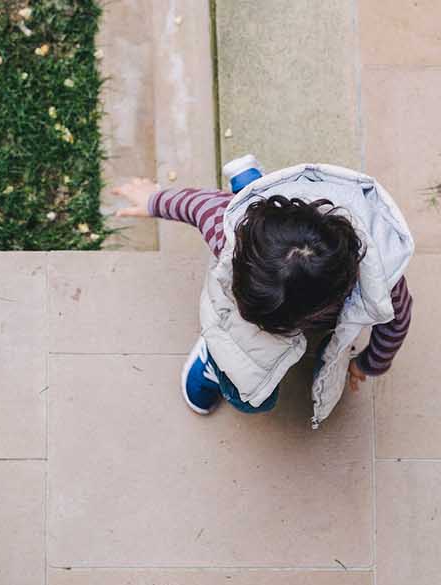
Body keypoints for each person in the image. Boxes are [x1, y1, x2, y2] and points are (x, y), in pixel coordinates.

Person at [112, 162, 415, 428]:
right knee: (252, 398)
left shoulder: (378, 286)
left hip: (276, 215)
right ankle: (215, 355)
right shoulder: (228, 231)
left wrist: (370, 363)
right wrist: (155, 199)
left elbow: (396, 321)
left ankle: (251, 184)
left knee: (254, 204)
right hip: (266, 212)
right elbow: (198, 204)